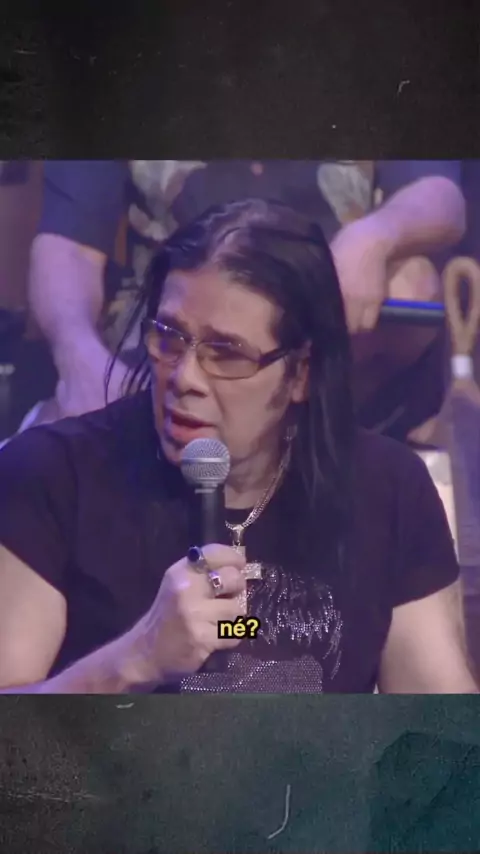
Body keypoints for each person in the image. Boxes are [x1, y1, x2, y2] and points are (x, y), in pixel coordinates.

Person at [0, 198, 475, 695]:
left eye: (226, 354)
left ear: (302, 373)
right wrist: (133, 660)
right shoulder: (51, 476)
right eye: (169, 337)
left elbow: (440, 724)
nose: (184, 377)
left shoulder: (386, 488)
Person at [19, 159, 465, 442]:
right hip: (168, 355)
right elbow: (68, 246)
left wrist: (373, 237)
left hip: (330, 350)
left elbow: (441, 194)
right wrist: (79, 356)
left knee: (413, 278)